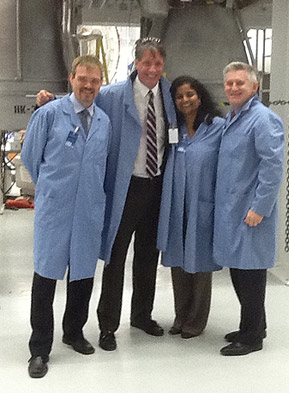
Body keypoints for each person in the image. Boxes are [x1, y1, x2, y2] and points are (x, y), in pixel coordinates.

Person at [36, 38, 177, 352]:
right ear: (136, 64)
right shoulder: (112, 95)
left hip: (157, 184)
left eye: (157, 64)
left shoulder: (168, 93)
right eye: (146, 63)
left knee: (147, 255)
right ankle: (107, 325)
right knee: (115, 257)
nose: (152, 69)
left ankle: (142, 314)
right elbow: (81, 100)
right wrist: (48, 100)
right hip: (126, 186)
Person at [22, 55, 111, 378]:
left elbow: (102, 166)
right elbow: (31, 159)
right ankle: (39, 348)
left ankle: (74, 332)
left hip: (88, 210)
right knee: (45, 277)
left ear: (100, 84)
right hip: (55, 209)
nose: (88, 86)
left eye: (95, 81)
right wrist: (55, 188)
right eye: (83, 79)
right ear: (72, 79)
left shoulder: (104, 121)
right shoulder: (48, 115)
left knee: (83, 275)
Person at [214, 62, 284, 356]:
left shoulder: (262, 119)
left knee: (251, 274)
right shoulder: (234, 116)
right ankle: (255, 325)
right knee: (240, 270)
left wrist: (260, 207)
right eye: (229, 83)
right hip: (234, 209)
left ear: (254, 87)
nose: (233, 88)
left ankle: (252, 337)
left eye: (240, 83)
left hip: (252, 212)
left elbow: (272, 166)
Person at [157, 76, 224, 339]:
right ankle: (180, 316)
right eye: (179, 96)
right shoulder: (174, 129)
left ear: (200, 96)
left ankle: (196, 320)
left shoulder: (217, 126)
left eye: (190, 94)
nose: (185, 100)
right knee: (178, 263)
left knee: (200, 263)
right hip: (177, 204)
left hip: (203, 204)